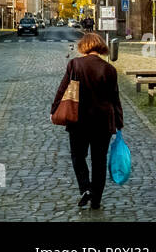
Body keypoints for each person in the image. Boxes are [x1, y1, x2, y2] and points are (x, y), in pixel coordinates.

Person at [51, 32, 123, 210]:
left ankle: (85, 188)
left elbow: (63, 89)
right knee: (99, 161)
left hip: (78, 120)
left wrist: (54, 110)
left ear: (84, 47)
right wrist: (119, 122)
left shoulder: (75, 64)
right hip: (103, 122)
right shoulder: (109, 69)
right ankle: (96, 199)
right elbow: (115, 98)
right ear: (100, 47)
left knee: (78, 156)